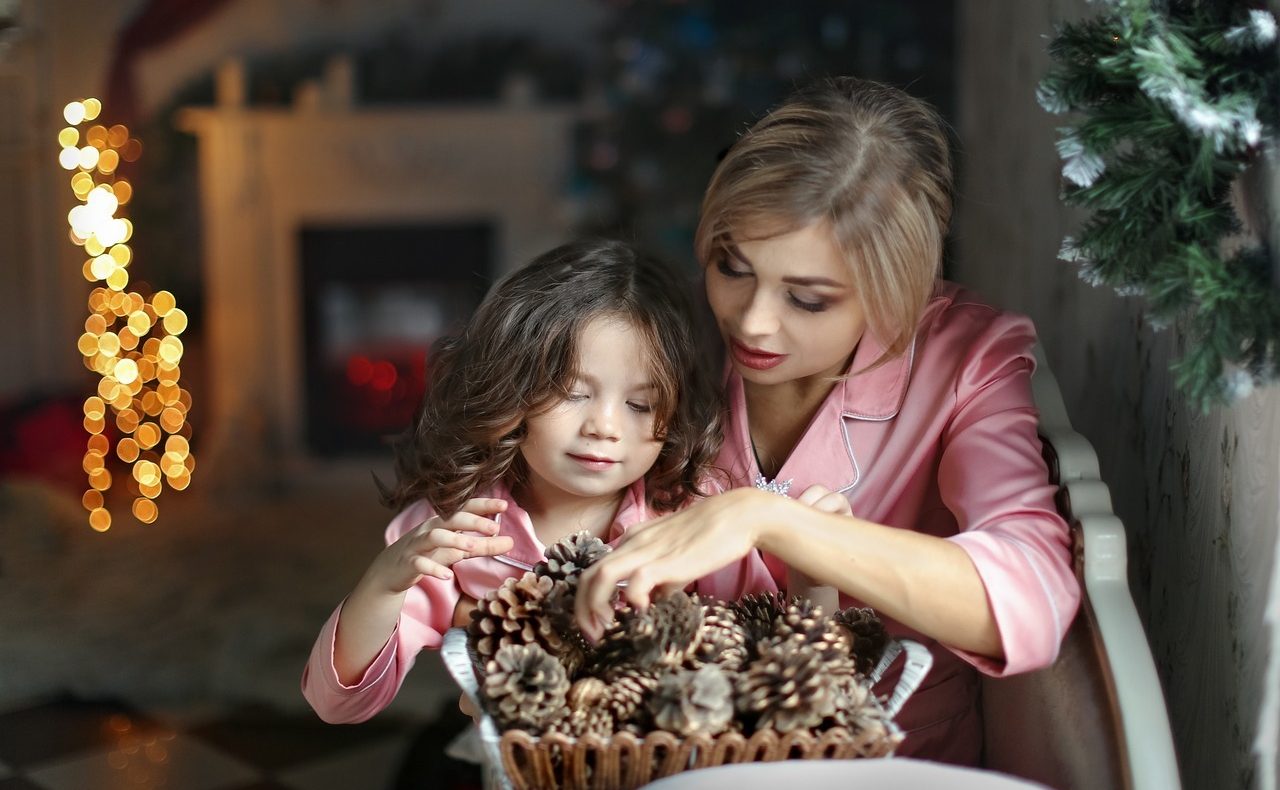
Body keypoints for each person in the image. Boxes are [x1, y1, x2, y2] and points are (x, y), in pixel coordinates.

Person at [573, 77, 1082, 765]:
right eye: (732, 267)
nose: (751, 321)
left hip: (895, 769)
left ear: (896, 290)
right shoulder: (660, 335)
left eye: (808, 300)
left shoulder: (966, 358)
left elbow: (1032, 598)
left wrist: (773, 521)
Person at [301, 239, 777, 725]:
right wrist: (383, 585)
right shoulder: (456, 529)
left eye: (640, 405)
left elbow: (776, 661)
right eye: (573, 392)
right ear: (513, 385)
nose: (605, 427)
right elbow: (336, 703)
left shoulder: (696, 514)